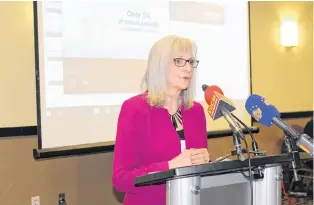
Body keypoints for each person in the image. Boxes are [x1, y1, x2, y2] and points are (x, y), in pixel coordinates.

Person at [112, 35, 210, 205]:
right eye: (179, 61)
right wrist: (171, 165)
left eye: (191, 61)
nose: (188, 68)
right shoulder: (134, 109)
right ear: (160, 66)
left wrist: (206, 161)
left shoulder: (196, 111)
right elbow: (121, 179)